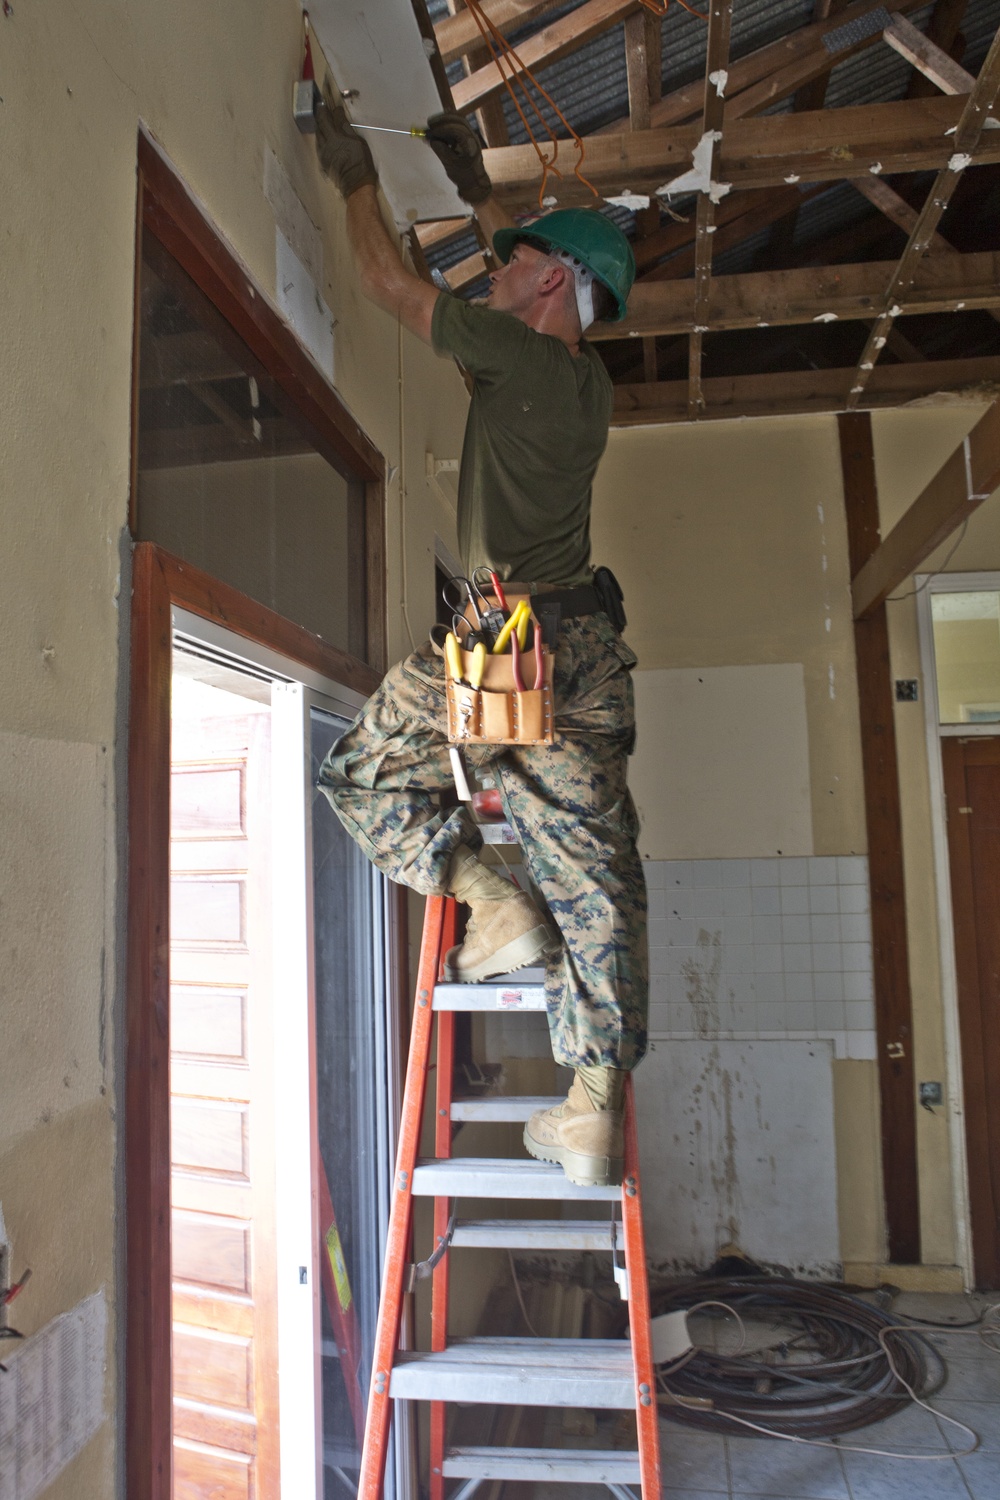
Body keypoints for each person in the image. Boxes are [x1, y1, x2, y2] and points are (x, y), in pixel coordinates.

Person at [313, 101, 647, 1189]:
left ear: (549, 283)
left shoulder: (508, 347)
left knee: (362, 775)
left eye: (512, 262)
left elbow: (384, 284)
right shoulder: (578, 380)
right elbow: (536, 275)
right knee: (596, 876)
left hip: (506, 635)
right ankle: (591, 1105)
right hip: (587, 641)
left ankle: (487, 896)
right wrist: (476, 192)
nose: (491, 271)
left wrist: (352, 173)